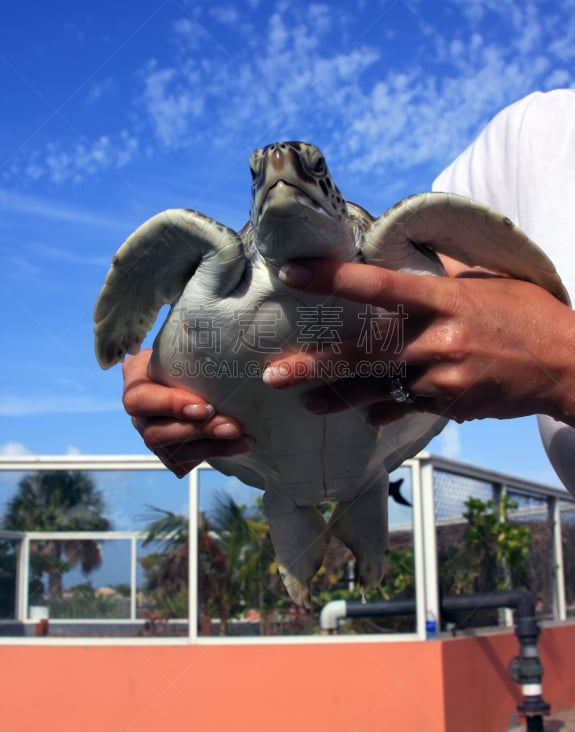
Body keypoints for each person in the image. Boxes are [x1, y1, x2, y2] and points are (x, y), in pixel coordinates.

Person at [122, 89, 575, 494]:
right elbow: (459, 291)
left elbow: (517, 307)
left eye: (312, 167)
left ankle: (356, 496)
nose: (280, 171)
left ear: (332, 188)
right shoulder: (531, 135)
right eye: (259, 172)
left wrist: (561, 355)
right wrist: (164, 374)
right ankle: (305, 506)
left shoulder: (391, 237)